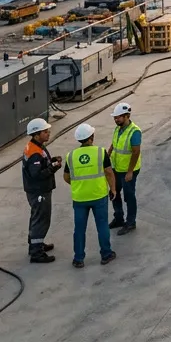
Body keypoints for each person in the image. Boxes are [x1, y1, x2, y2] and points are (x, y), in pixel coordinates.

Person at [63, 123, 117, 268]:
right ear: (91, 137)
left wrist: (79, 186)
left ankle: (78, 258)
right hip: (98, 196)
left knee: (79, 229)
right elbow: (109, 172)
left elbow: (66, 177)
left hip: (80, 198)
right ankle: (106, 254)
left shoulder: (71, 156)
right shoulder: (101, 152)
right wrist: (113, 189)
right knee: (102, 226)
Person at [22, 118, 61, 263]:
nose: (48, 133)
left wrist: (51, 161)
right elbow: (37, 174)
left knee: (36, 217)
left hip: (35, 190)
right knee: (41, 219)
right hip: (39, 191)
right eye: (45, 131)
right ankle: (36, 253)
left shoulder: (35, 146)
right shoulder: (35, 153)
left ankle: (35, 244)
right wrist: (54, 167)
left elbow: (40, 166)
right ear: (36, 134)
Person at [108, 102, 142, 235]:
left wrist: (129, 172)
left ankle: (131, 222)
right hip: (116, 168)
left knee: (129, 196)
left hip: (128, 170)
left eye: (118, 117)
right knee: (113, 193)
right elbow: (114, 142)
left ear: (127, 116)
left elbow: (135, 152)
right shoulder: (118, 128)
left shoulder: (135, 132)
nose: (116, 120)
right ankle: (119, 218)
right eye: (115, 117)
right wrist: (109, 153)